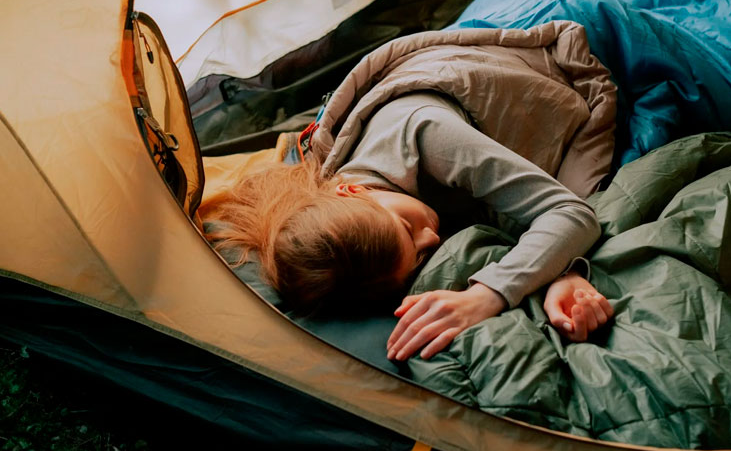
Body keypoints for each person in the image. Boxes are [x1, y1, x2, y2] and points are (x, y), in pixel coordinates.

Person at [201, 22, 617, 362]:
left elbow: (569, 210)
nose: (431, 238)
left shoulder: (424, 133)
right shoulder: (364, 227)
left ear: (348, 190)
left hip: (535, 42)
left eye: (407, 227)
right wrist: (559, 272)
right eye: (419, 256)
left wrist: (487, 294)